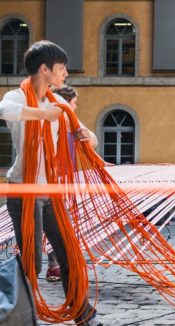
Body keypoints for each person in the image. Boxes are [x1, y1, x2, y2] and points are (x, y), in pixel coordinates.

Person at [0, 41, 101, 325]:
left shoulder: (59, 105)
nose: (66, 73)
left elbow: (89, 137)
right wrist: (42, 115)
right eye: (61, 68)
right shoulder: (18, 98)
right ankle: (22, 317)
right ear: (44, 70)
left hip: (51, 192)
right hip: (23, 192)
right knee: (33, 261)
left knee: (70, 252)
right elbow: (3, 110)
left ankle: (81, 313)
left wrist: (86, 137)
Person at [44, 85, 80, 283]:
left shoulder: (71, 128)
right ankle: (54, 266)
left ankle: (62, 264)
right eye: (73, 103)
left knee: (63, 226)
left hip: (67, 182)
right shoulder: (53, 129)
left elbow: (90, 144)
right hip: (55, 183)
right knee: (56, 227)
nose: (75, 108)